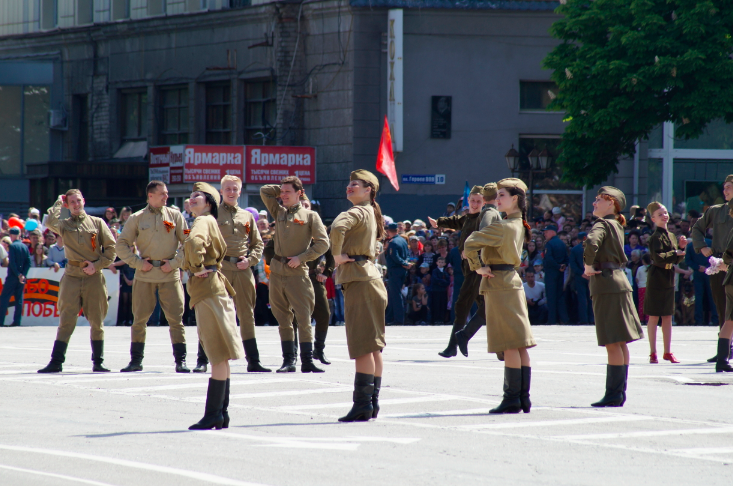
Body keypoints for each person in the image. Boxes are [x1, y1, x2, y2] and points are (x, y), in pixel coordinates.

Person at [464, 178, 536, 414]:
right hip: (512, 282)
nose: (497, 199)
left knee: (509, 344)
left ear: (515, 199)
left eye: (502, 195)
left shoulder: (503, 226)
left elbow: (470, 242)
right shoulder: (518, 223)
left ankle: (511, 398)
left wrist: (477, 267)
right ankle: (523, 398)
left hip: (499, 284)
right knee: (519, 344)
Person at [193, 175, 269, 373]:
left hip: (243, 270)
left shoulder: (247, 216)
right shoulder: (212, 214)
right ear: (221, 191)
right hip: (219, 269)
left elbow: (258, 244)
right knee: (212, 314)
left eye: (235, 189)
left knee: (247, 314)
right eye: (227, 188)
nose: (231, 192)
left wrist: (250, 261)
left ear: (240, 191)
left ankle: (253, 360)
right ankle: (202, 360)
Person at [185, 182, 245, 429]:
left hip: (208, 288)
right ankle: (221, 413)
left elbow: (193, 244)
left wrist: (196, 267)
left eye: (197, 196)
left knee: (217, 354)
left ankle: (214, 415)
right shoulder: (210, 221)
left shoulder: (202, 221)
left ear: (209, 202)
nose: (192, 199)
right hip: (215, 287)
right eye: (191, 196)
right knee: (221, 354)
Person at [329, 169, 388, 422]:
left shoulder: (357, 211)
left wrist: (336, 255)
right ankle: (371, 404)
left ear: (368, 190)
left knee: (363, 347)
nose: (349, 187)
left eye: (355, 184)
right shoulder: (370, 212)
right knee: (373, 347)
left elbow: (337, 227)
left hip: (360, 281)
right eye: (349, 183)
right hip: (370, 279)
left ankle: (363, 405)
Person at [37, 190, 117, 372]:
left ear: (84, 201)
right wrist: (59, 202)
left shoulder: (97, 223)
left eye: (78, 200)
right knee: (66, 320)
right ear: (67, 205)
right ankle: (56, 362)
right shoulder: (64, 225)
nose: (76, 204)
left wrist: (97, 266)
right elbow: (49, 222)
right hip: (72, 276)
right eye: (71, 202)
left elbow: (111, 249)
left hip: (93, 276)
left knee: (97, 320)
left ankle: (98, 362)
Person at [115, 181, 191, 373]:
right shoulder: (137, 218)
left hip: (170, 275)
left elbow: (188, 242)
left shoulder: (175, 215)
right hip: (145, 275)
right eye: (162, 193)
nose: (166, 196)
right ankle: (136, 361)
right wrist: (138, 263)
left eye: (166, 193)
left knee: (176, 320)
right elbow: (121, 244)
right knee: (139, 320)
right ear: (150, 195)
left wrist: (174, 263)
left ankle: (181, 361)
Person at [260, 176, 329, 373]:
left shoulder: (310, 216)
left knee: (304, 318)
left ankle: (307, 361)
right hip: (277, 272)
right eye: (281, 192)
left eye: (287, 192)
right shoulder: (278, 211)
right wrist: (282, 188)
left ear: (299, 193)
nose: (283, 195)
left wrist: (302, 258)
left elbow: (323, 243)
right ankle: (289, 361)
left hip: (298, 272)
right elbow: (264, 191)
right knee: (283, 318)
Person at [583, 187, 643, 407]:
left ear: (611, 204)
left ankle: (613, 394)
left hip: (606, 283)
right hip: (618, 280)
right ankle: (618, 393)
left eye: (599, 199)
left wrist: (588, 265)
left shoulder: (602, 223)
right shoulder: (616, 224)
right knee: (620, 341)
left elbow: (591, 243)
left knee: (612, 342)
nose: (594, 203)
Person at [691, 174, 733, 363]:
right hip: (719, 264)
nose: (725, 190)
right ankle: (725, 349)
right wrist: (702, 247)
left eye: (729, 187)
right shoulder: (716, 211)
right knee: (722, 307)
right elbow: (696, 228)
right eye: (724, 187)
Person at [645, 202, 686, 364]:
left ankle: (667, 351)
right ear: (653, 219)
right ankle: (652, 352)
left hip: (669, 275)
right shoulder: (655, 237)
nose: (664, 216)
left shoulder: (671, 236)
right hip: (657, 276)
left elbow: (676, 259)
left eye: (665, 213)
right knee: (654, 316)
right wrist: (675, 252)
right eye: (660, 214)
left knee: (668, 315)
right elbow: (658, 258)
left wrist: (681, 250)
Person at [0, 227, 31, 327]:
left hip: (13, 276)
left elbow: (12, 263)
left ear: (11, 235)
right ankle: (17, 322)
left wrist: (18, 274)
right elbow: (28, 262)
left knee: (4, 298)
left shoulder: (13, 246)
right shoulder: (24, 247)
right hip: (21, 278)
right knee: (19, 299)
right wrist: (23, 275)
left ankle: (1, 321)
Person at [685, 236, 718, 326]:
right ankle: (715, 319)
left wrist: (697, 267)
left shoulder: (691, 245)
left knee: (698, 296)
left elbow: (688, 260)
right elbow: (715, 257)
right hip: (710, 271)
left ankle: (698, 320)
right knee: (712, 295)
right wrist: (707, 266)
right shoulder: (711, 243)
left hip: (698, 272)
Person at [384, 223, 411, 325]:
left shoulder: (393, 242)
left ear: (388, 231)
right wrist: (406, 263)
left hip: (395, 270)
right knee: (392, 295)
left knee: (396, 296)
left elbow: (394, 256)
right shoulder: (403, 240)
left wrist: (404, 263)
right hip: (402, 270)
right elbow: (407, 255)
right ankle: (389, 318)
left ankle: (398, 320)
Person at [569, 232, 592, 324]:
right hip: (591, 276)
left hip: (580, 276)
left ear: (578, 240)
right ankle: (592, 319)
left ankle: (584, 319)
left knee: (582, 299)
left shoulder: (574, 249)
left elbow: (573, 264)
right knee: (591, 298)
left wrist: (581, 273)